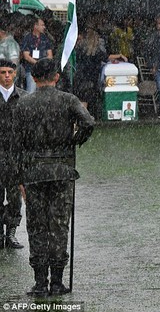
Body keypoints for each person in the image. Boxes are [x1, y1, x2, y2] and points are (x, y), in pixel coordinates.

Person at [13, 58, 94, 296]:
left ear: (34, 78)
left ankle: (40, 282)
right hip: (62, 169)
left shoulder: (24, 104)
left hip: (34, 172)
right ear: (56, 77)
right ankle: (57, 281)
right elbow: (88, 122)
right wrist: (74, 141)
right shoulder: (68, 100)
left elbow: (15, 143)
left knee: (37, 226)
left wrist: (19, 176)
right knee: (59, 226)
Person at [0, 59, 26, 250]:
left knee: (15, 198)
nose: (7, 76)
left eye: (10, 72)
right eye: (3, 72)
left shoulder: (24, 98)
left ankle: (11, 233)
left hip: (16, 158)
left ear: (15, 74)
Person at [73, 26, 126, 116]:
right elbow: (107, 57)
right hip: (90, 77)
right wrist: (120, 55)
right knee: (86, 99)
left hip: (80, 76)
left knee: (81, 99)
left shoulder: (80, 49)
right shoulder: (96, 51)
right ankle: (83, 118)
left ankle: (80, 117)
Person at [20, 16, 53, 94]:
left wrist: (43, 65)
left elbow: (50, 55)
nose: (44, 27)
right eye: (42, 25)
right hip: (31, 70)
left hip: (44, 71)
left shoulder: (45, 38)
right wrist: (38, 64)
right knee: (31, 91)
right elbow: (26, 56)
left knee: (44, 93)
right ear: (35, 26)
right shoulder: (27, 38)